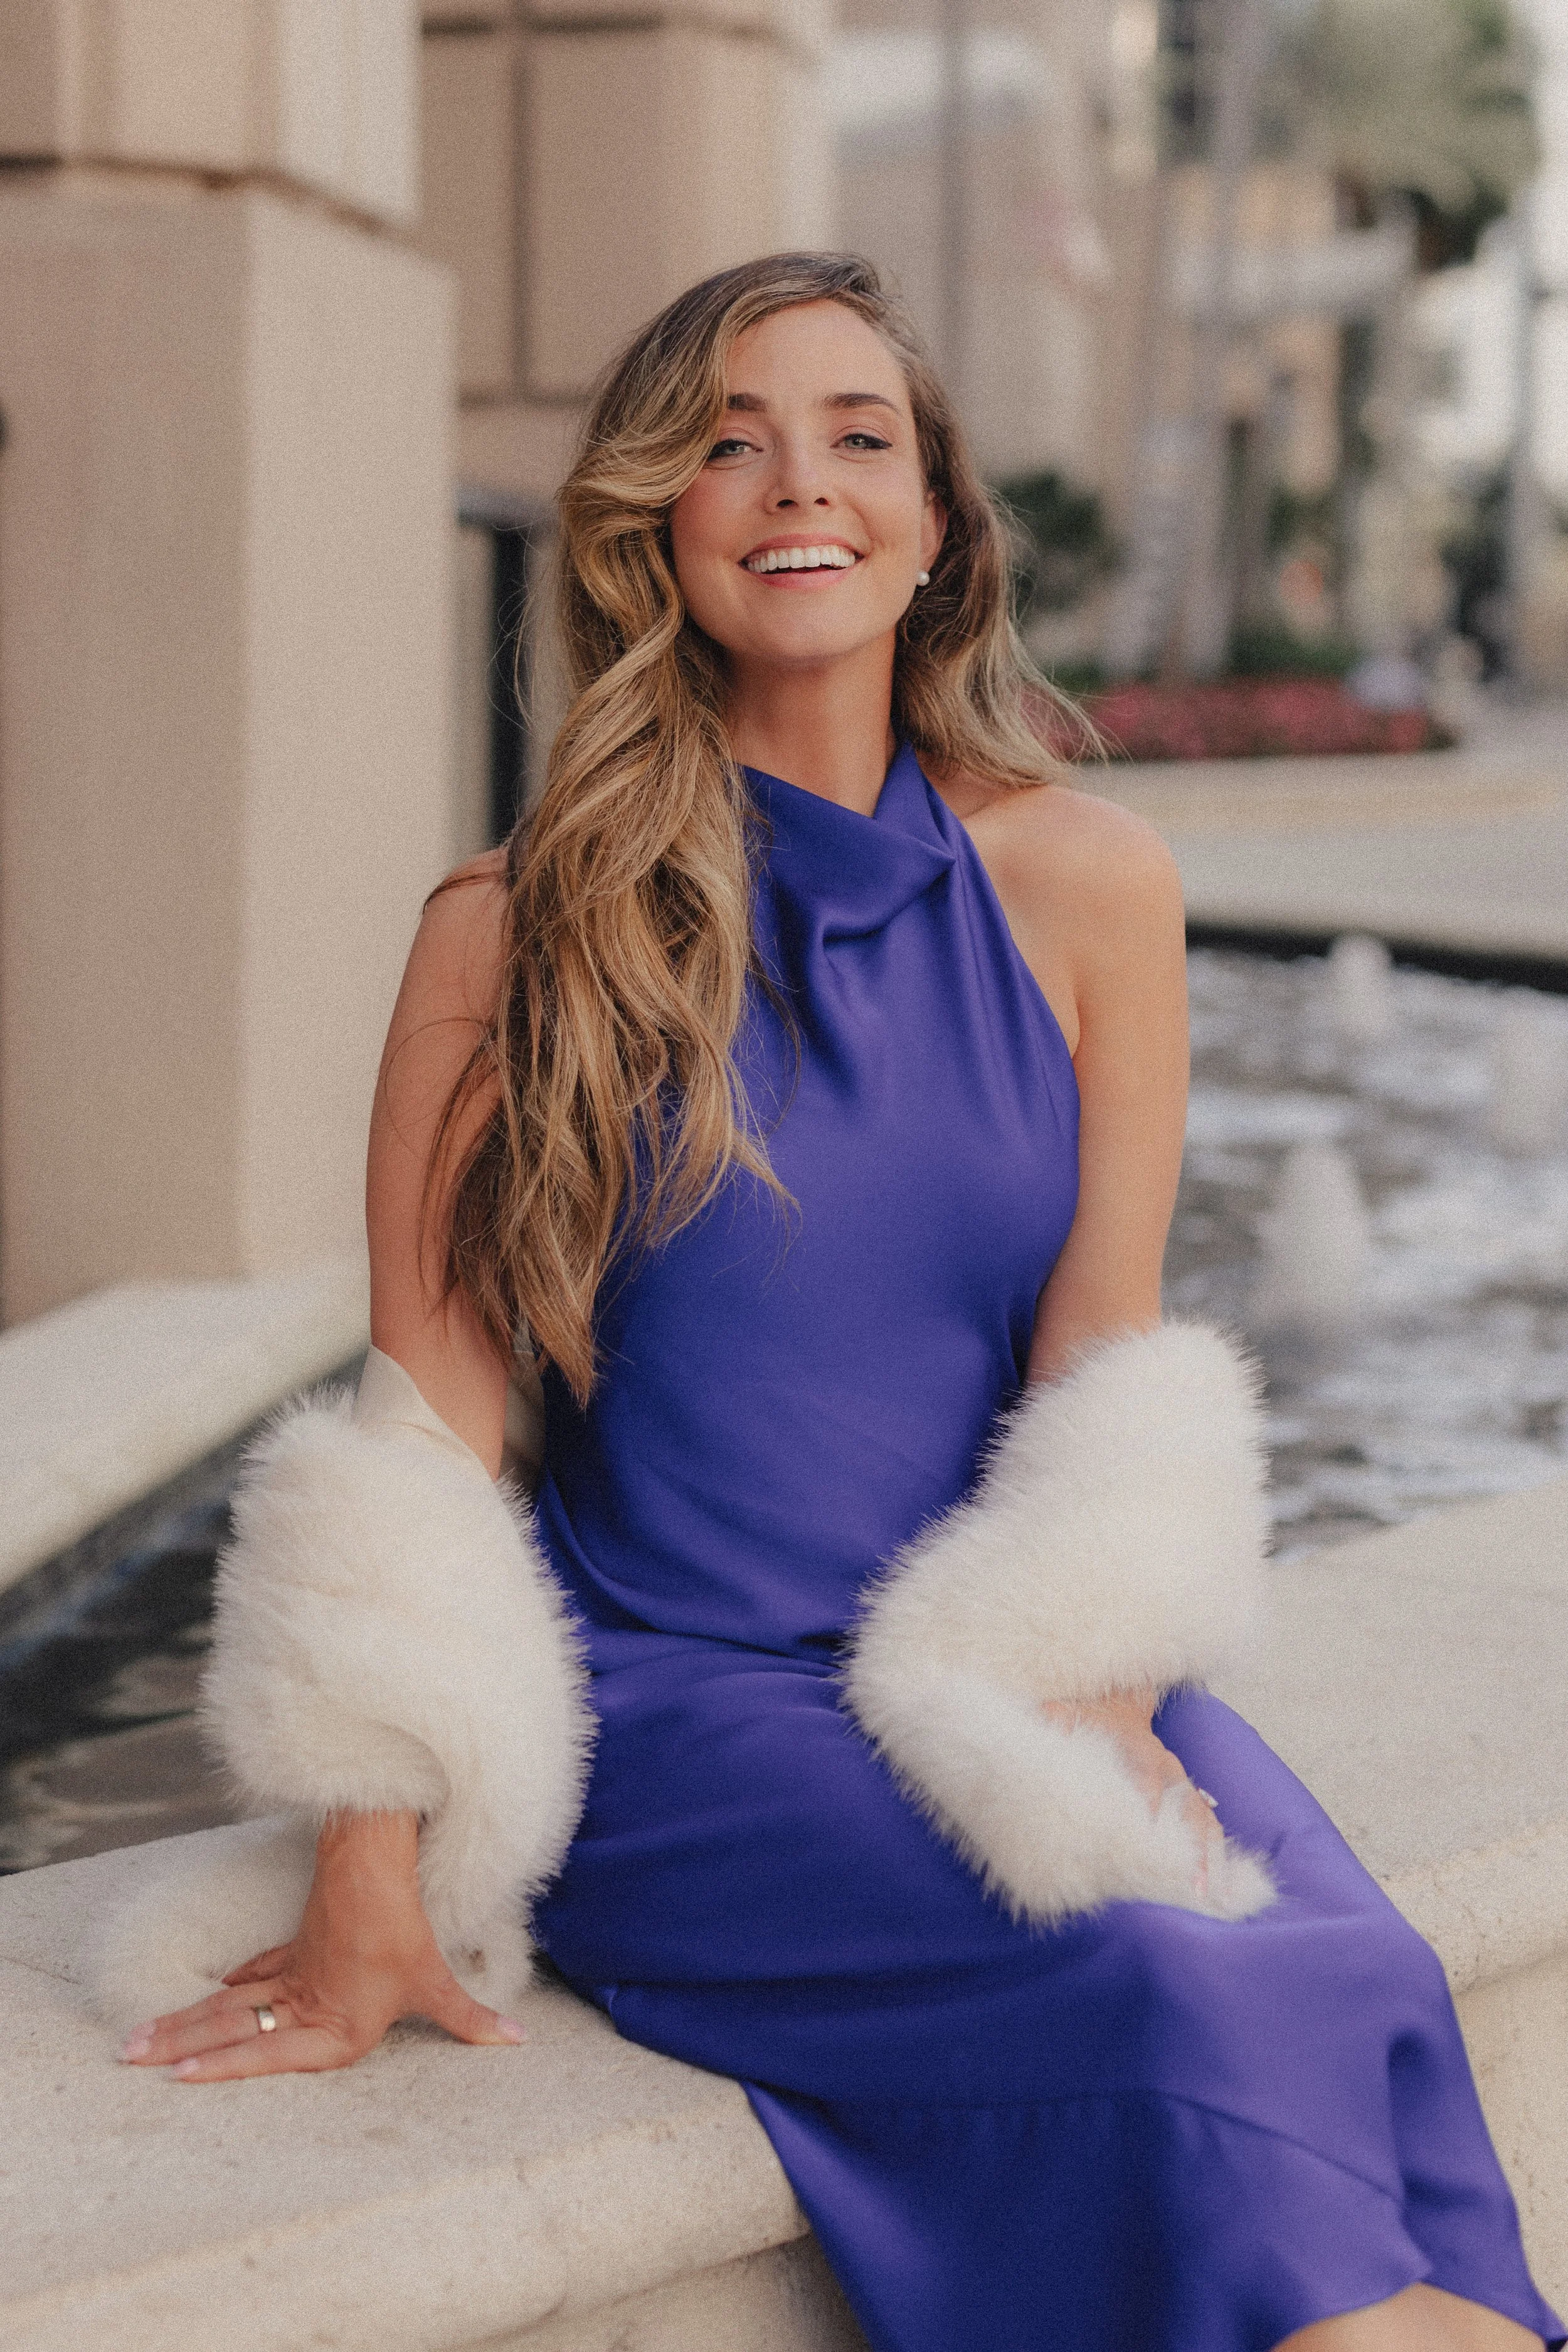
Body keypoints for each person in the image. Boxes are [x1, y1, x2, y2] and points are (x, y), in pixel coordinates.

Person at [117, 254, 1560, 2352]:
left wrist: (1106, 1665)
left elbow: (1105, 1358)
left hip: (992, 1655)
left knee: (1327, 1975)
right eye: (727, 439)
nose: (797, 484)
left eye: (855, 436)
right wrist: (368, 1862)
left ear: (938, 520)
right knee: (1162, 2001)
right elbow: (423, 1431)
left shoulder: (1088, 888)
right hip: (680, 1711)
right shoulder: (504, 934)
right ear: (653, 524)